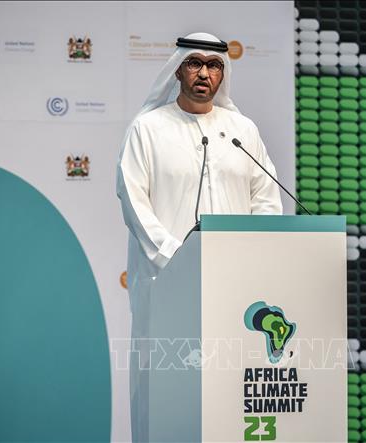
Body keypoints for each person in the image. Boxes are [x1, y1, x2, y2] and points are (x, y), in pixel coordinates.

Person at [116, 32, 282, 442]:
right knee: (166, 386)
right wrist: (179, 259)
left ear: (223, 74)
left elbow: (266, 199)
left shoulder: (242, 130)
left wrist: (251, 258)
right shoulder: (148, 129)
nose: (204, 73)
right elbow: (134, 200)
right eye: (195, 63)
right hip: (166, 281)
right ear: (178, 70)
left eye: (214, 65)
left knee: (229, 385)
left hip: (233, 284)